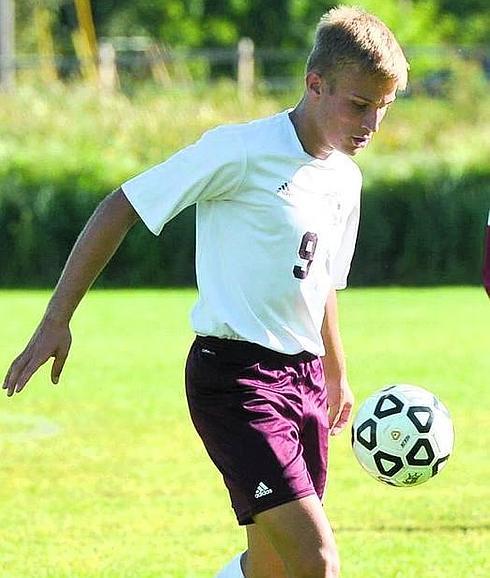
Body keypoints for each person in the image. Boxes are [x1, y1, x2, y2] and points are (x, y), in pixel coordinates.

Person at [3, 6, 408, 578]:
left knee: (271, 563)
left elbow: (323, 282)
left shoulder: (346, 178)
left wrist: (336, 369)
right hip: (235, 380)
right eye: (359, 105)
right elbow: (121, 205)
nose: (371, 124)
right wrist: (55, 319)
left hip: (305, 382)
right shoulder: (240, 151)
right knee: (317, 561)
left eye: (384, 109)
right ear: (315, 84)